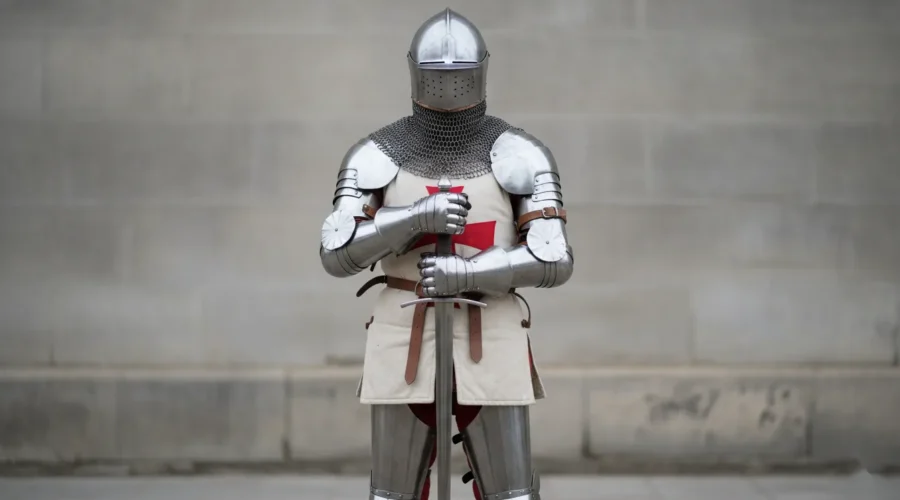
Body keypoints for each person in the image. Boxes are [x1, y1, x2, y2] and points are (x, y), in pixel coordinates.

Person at [319, 8, 574, 500]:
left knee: (512, 494)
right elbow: (337, 252)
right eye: (439, 75)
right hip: (404, 333)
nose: (448, 85)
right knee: (392, 494)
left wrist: (469, 270)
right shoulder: (376, 156)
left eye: (458, 76)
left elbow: (555, 258)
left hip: (491, 329)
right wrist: (414, 218)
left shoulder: (520, 155)